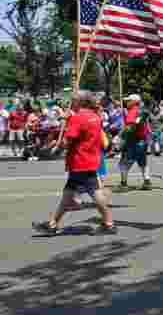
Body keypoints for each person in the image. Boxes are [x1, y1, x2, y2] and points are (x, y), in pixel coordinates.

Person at [33, 91, 116, 235]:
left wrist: (57, 139)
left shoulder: (78, 118)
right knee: (69, 194)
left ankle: (108, 224)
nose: (70, 103)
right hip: (89, 159)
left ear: (79, 102)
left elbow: (67, 141)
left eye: (73, 100)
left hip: (80, 161)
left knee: (94, 194)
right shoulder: (94, 117)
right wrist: (68, 120)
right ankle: (52, 224)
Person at [118, 94, 153, 190]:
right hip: (142, 141)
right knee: (143, 163)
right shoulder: (141, 111)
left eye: (129, 101)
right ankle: (147, 181)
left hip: (133, 141)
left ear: (134, 102)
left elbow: (130, 127)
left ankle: (123, 184)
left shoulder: (133, 112)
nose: (127, 102)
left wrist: (121, 136)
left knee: (123, 163)